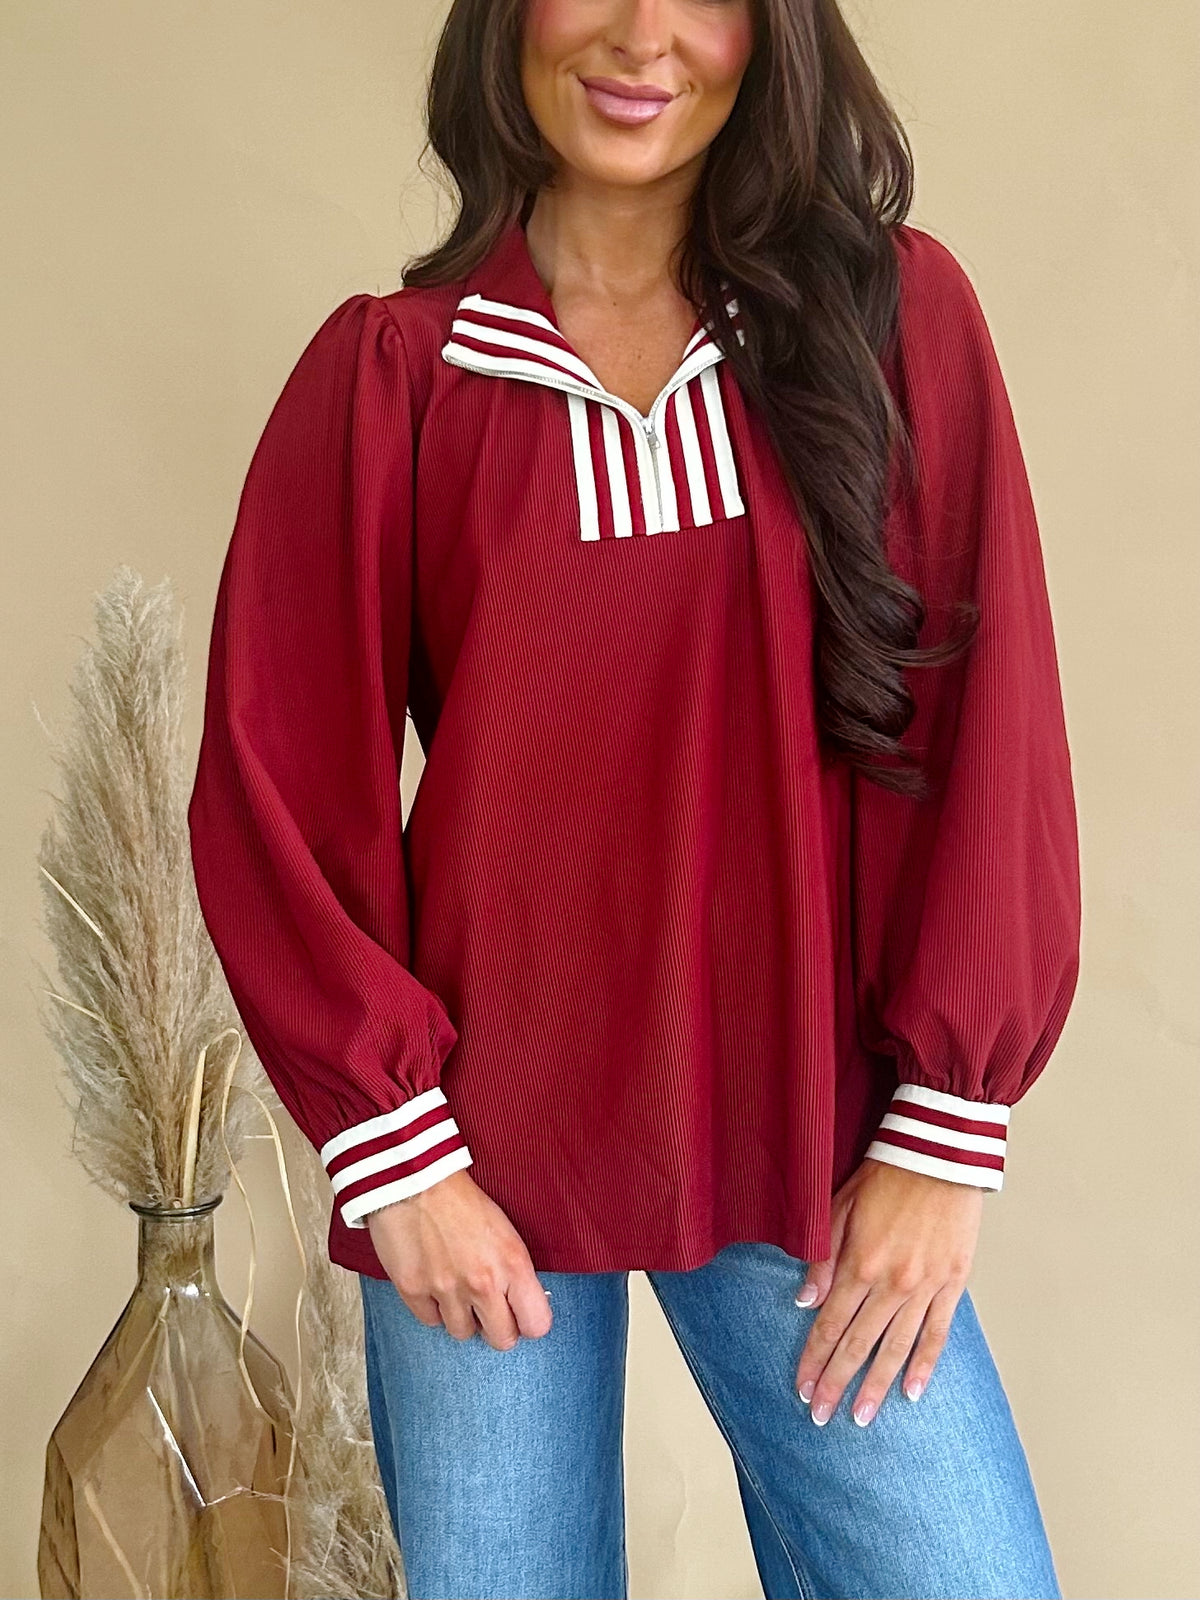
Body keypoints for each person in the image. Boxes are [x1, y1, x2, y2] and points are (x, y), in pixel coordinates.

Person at [187, 0, 1082, 1595]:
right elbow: (278, 776)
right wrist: (400, 1161)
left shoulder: (892, 322)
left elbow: (987, 727)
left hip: (805, 1135)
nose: (643, 36)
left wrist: (945, 1138)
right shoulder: (396, 375)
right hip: (473, 1164)